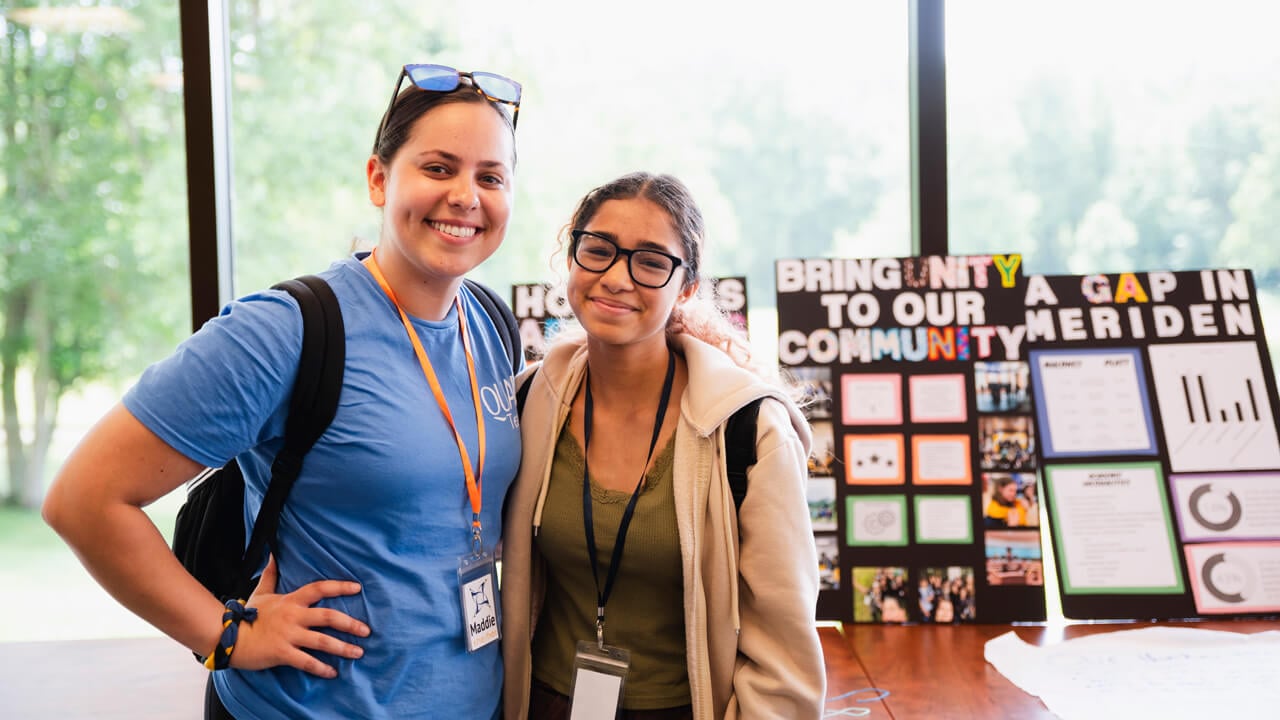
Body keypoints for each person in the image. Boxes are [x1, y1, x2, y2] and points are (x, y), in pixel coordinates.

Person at [42, 63, 524, 720]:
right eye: (438, 168)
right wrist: (224, 636)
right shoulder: (289, 330)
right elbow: (84, 500)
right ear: (379, 179)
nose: (466, 196)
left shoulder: (491, 323)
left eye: (489, 176)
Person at [501, 172, 826, 719]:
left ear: (689, 286)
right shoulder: (530, 399)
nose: (616, 277)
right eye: (598, 250)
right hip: (545, 704)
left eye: (651, 261)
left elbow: (786, 654)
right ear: (571, 257)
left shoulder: (746, 429)